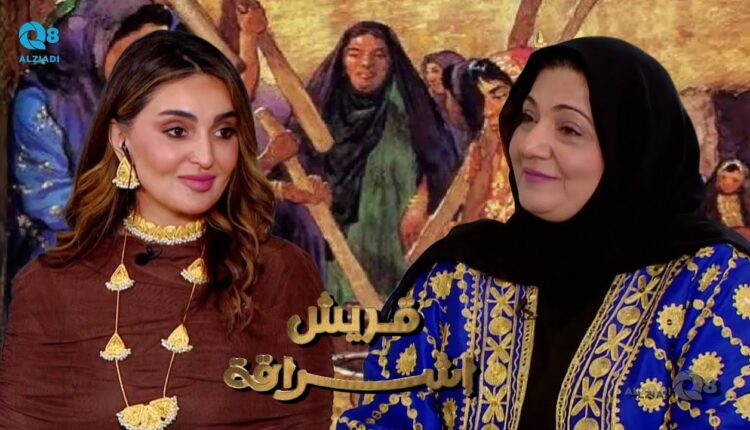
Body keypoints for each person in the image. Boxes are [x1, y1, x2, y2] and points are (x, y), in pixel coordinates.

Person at [337, 37, 750, 429]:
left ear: (632, 145)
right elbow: (386, 417)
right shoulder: (453, 276)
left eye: (569, 129)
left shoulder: (711, 280)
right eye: (526, 117)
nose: (531, 145)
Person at [0, 31, 332, 429]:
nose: (206, 156)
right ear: (122, 141)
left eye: (224, 132)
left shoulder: (280, 273)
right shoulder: (48, 286)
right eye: (177, 130)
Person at [279, 21, 460, 302]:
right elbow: (292, 172)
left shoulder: (409, 108)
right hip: (331, 246)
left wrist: (422, 201)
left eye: (379, 55)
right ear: (342, 61)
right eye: (355, 53)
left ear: (392, 62)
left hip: (399, 247)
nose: (367, 64)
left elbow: (440, 160)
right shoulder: (319, 108)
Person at [7, 0, 179, 281]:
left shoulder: (142, 103)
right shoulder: (39, 101)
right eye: (134, 54)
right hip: (64, 253)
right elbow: (46, 199)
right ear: (101, 40)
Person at [421, 50, 468, 155]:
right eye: (427, 73)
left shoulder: (472, 108)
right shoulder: (433, 110)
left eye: (435, 71)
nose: (430, 78)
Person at [702, 159, 750, 240]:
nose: (727, 183)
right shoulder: (710, 200)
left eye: (735, 180)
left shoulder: (745, 200)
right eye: (723, 178)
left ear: (742, 183)